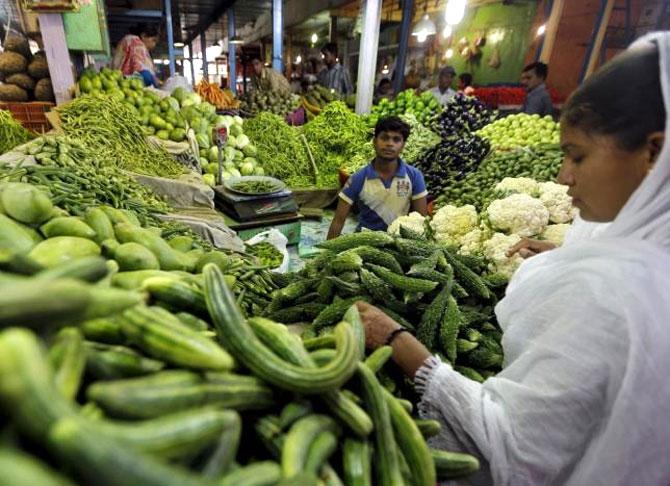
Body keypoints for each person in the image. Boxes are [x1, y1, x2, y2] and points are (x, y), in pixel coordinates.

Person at [357, 33, 670, 485]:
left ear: (654, 153)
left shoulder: (615, 294)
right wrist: (566, 252)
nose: (563, 177)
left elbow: (515, 444)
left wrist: (400, 342)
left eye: (576, 156)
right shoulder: (642, 256)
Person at [327, 117, 428, 239]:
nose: (390, 144)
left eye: (396, 140)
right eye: (384, 138)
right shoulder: (358, 178)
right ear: (375, 142)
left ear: (402, 146)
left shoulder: (414, 176)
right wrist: (326, 253)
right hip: (365, 242)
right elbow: (338, 221)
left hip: (399, 244)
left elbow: (420, 220)